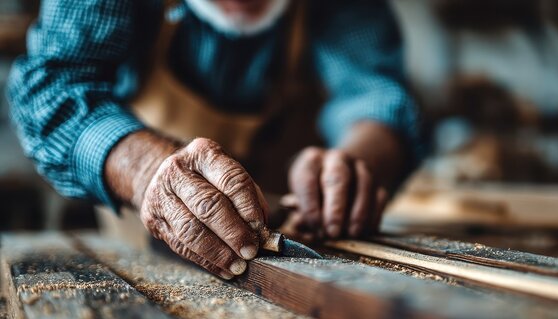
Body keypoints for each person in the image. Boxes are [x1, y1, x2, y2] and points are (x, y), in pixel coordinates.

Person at [7, 0, 421, 279]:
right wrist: (145, 168)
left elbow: (375, 93)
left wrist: (357, 160)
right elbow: (52, 88)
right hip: (140, 249)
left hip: (295, 229)